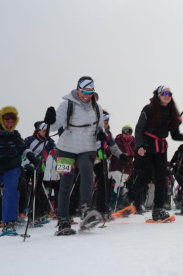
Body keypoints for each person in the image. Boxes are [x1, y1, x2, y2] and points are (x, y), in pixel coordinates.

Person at [44, 76, 126, 235]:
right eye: (84, 91)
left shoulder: (97, 108)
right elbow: (54, 127)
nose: (87, 95)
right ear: (78, 89)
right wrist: (50, 120)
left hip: (87, 148)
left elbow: (99, 127)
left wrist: (101, 134)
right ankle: (63, 219)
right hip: (66, 147)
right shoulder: (66, 104)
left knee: (88, 173)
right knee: (66, 183)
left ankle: (86, 208)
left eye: (90, 92)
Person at [125, 85, 183, 221]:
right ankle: (128, 197)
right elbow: (139, 129)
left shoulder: (171, 112)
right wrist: (139, 146)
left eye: (170, 94)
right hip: (147, 146)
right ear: (158, 95)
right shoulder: (148, 109)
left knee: (162, 179)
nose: (168, 96)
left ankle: (158, 210)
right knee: (146, 175)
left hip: (161, 147)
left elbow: (174, 134)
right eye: (165, 93)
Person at [0, 106, 39, 235]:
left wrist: (31, 156)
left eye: (12, 122)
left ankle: (9, 223)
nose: (9, 125)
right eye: (6, 121)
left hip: (12, 167)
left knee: (11, 191)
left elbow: (23, 148)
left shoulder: (15, 135)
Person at [94, 112, 128, 217]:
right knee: (83, 183)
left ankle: (102, 210)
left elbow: (113, 148)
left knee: (104, 184)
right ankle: (78, 208)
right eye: (103, 122)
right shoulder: (91, 130)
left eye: (107, 122)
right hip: (88, 158)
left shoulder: (108, 134)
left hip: (101, 161)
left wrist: (121, 156)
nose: (105, 124)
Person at [23, 121, 56, 224]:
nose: (46, 133)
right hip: (27, 167)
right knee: (23, 188)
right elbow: (23, 149)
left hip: (39, 169)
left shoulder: (50, 141)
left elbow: (55, 151)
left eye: (47, 131)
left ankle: (35, 215)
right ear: (38, 130)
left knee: (38, 191)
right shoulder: (30, 139)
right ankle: (21, 212)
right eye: (44, 130)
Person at [107, 125, 134, 211]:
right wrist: (111, 157)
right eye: (125, 134)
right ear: (122, 134)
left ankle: (117, 204)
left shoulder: (134, 142)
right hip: (116, 167)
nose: (127, 136)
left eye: (129, 134)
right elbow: (109, 150)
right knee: (117, 185)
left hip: (127, 169)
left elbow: (136, 153)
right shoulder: (117, 141)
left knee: (121, 186)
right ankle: (113, 204)